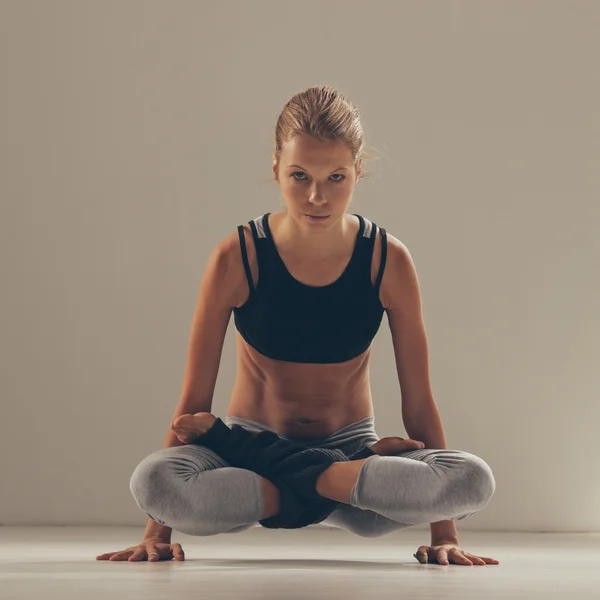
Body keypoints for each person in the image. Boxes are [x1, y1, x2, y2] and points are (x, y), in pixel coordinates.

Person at [96, 85, 499, 567]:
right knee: (154, 483)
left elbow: (418, 401)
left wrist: (443, 532)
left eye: (335, 177)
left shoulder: (385, 259)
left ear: (357, 172)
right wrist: (155, 529)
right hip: (244, 458)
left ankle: (315, 480)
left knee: (471, 479)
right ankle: (318, 482)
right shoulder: (238, 257)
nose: (316, 196)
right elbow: (192, 403)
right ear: (275, 169)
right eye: (299, 175)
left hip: (351, 463)